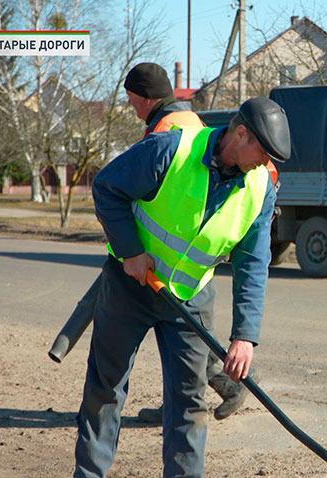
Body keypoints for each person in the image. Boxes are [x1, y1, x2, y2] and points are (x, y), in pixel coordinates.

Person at [74, 96, 290, 478]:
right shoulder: (171, 148)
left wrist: (245, 336)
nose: (266, 163)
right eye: (264, 151)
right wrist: (131, 252)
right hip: (130, 287)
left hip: (189, 300)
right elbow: (107, 188)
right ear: (241, 134)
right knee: (105, 391)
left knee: (189, 402)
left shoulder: (261, 186)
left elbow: (253, 263)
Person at [62, 62, 260, 424]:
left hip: (171, 258)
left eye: (130, 98)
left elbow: (140, 188)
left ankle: (219, 388)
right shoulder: (185, 117)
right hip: (178, 259)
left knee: (185, 340)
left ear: (143, 98)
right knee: (188, 339)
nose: (130, 105)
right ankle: (201, 395)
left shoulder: (167, 129)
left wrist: (130, 245)